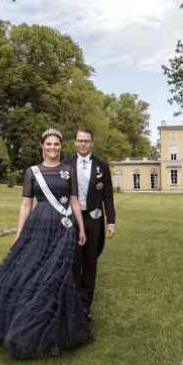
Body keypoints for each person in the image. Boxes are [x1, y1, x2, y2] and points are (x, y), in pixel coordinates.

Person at [0, 128, 92, 360]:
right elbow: (26, 205)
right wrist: (19, 232)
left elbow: (74, 201)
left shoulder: (69, 171)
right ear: (42, 146)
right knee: (30, 272)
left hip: (64, 228)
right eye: (48, 144)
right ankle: (23, 322)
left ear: (61, 146)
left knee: (57, 276)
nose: (52, 148)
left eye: (56, 144)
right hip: (38, 227)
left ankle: (53, 335)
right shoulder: (32, 172)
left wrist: (81, 227)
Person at [68, 127, 116, 322]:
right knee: (73, 262)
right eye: (79, 140)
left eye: (86, 141)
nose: (82, 144)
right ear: (75, 142)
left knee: (90, 263)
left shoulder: (102, 166)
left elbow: (108, 196)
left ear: (92, 143)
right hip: (72, 220)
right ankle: (71, 302)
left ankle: (85, 306)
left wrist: (111, 222)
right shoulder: (66, 164)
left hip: (94, 220)